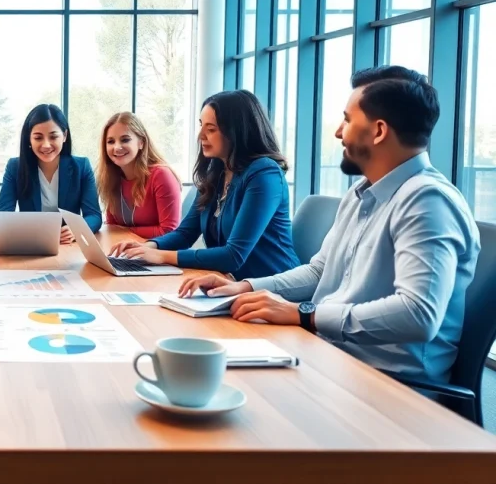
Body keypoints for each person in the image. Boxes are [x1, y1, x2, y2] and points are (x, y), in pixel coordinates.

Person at [179, 67, 480, 382]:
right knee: (203, 363)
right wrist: (247, 287)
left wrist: (304, 315)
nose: (339, 132)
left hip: (386, 379)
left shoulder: (428, 201)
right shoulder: (361, 193)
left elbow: (417, 315)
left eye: (348, 120)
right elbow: (318, 271)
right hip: (332, 354)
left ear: (378, 131)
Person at [110, 90, 299, 280]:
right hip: (230, 284)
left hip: (273, 289)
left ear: (236, 131)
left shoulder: (264, 174)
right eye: (201, 126)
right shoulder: (216, 173)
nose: (200, 135)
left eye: (211, 129)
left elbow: (233, 256)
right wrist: (149, 246)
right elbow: (185, 234)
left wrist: (161, 256)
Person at [0, 104, 101, 244]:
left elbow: (94, 215)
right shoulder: (15, 167)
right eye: (38, 138)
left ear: (64, 136)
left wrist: (78, 229)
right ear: (29, 139)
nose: (46, 145)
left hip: (68, 246)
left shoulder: (81, 166)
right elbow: (3, 216)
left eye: (53, 137)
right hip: (32, 244)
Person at [97, 112, 182, 238]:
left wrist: (125, 232)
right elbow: (112, 227)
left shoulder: (161, 175)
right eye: (110, 141)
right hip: (127, 253)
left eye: (125, 140)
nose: (117, 147)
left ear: (141, 142)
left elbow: (169, 231)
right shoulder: (110, 178)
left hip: (159, 254)